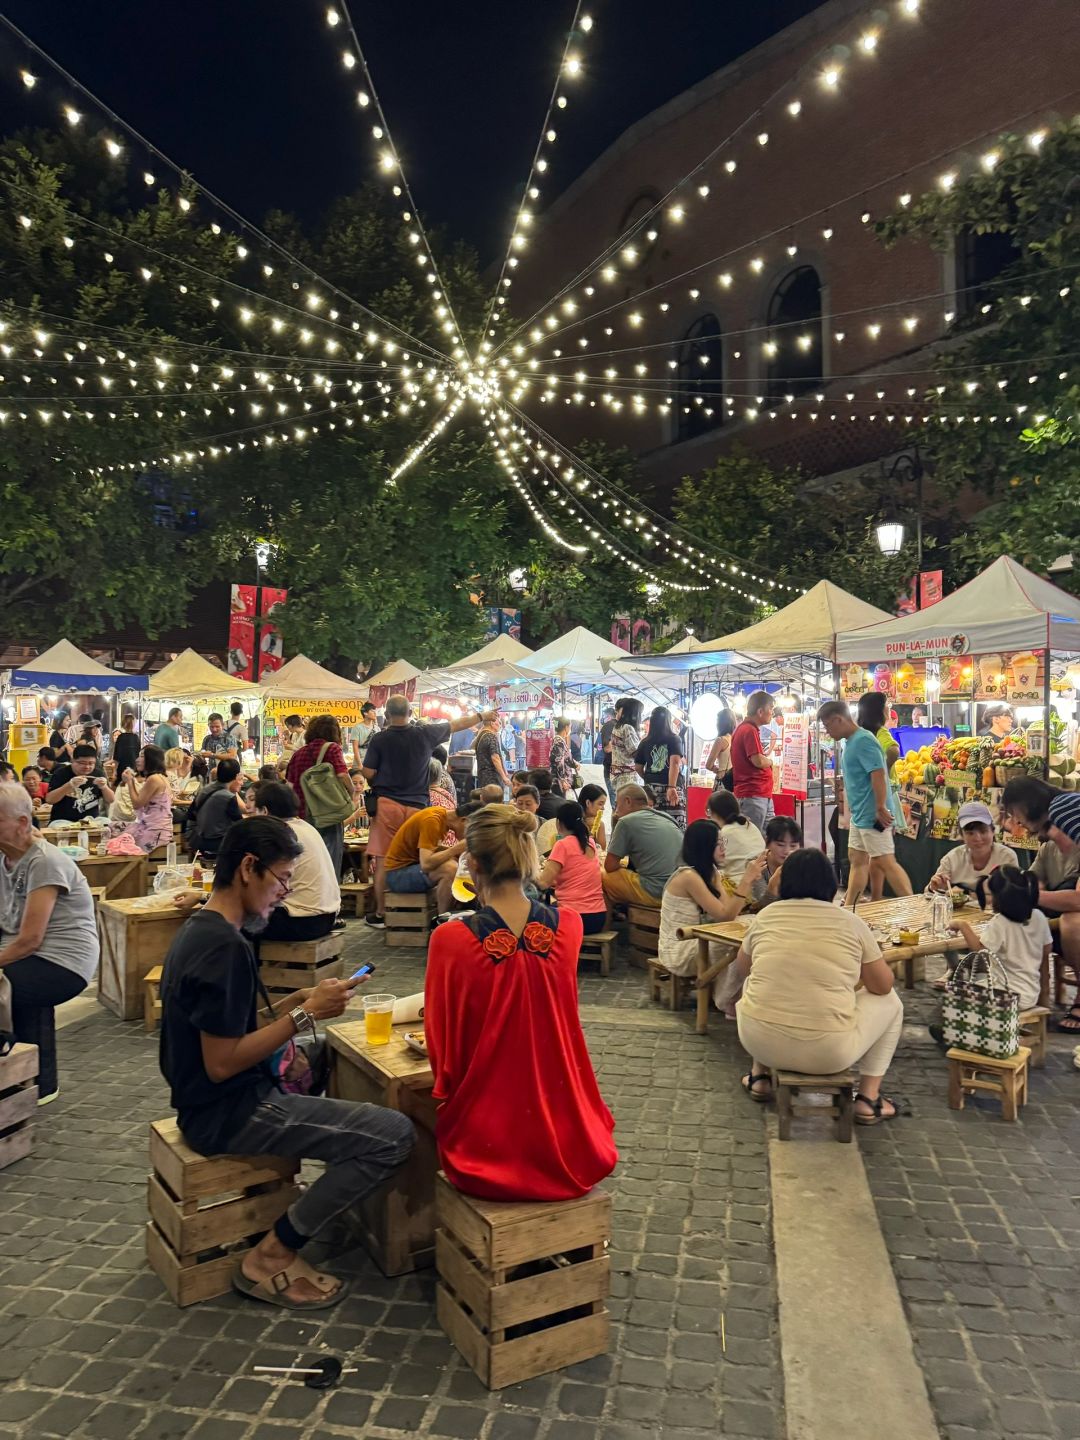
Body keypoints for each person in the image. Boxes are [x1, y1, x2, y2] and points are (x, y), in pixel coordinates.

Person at [159, 816, 414, 1309]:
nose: (284, 893)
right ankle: (273, 1253)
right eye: (280, 879)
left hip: (213, 1097)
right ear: (248, 868)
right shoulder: (222, 948)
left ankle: (334, 1180)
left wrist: (293, 1002)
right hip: (229, 1111)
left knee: (331, 1058)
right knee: (394, 1135)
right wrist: (303, 1014)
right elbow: (222, 1062)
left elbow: (221, 1027)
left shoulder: (205, 928)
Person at [425, 803, 617, 1200]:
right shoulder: (570, 926)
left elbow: (441, 1043)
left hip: (488, 1139)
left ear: (472, 863)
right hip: (568, 1131)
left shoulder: (450, 940)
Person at [734, 847, 903, 1124]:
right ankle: (868, 1099)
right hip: (828, 1053)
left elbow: (743, 970)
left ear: (784, 881)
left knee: (757, 978)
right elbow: (882, 986)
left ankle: (760, 1076)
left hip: (757, 1041)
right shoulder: (851, 923)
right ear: (829, 883)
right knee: (892, 1002)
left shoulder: (766, 916)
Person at [0, 785, 99, 1103]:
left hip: (62, 962)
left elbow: (30, 939)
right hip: (30, 954)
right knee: (16, 989)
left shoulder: (44, 861)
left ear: (23, 822)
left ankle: (19, 1080)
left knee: (7, 985)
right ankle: (36, 1084)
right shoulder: (6, 860)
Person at [362, 695, 489, 928]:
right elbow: (457, 724)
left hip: (387, 804)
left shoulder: (379, 739)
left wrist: (384, 778)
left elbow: (368, 772)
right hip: (418, 805)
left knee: (383, 859)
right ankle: (414, 906)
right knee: (414, 855)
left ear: (387, 715)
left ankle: (381, 913)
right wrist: (482, 716)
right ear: (410, 712)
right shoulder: (424, 733)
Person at [817, 700, 913, 908]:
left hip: (872, 814)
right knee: (857, 858)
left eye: (827, 725)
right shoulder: (850, 741)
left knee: (887, 861)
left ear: (838, 719)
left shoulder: (864, 741)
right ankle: (851, 906)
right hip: (860, 815)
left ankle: (914, 905)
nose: (827, 731)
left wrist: (880, 807)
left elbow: (878, 773)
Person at [658, 820, 766, 1000]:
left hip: (697, 938)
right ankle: (727, 998)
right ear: (704, 847)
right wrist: (746, 880)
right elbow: (726, 916)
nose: (723, 849)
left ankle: (733, 994)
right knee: (743, 937)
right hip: (679, 949)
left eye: (724, 842)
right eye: (718, 844)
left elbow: (727, 914)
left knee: (754, 922)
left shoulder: (711, 872)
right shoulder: (688, 876)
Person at [948, 866, 1051, 1013]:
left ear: (999, 898)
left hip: (1006, 996)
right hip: (1030, 995)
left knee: (958, 994)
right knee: (980, 982)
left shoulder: (1000, 922)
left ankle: (963, 1032)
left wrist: (961, 925)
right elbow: (1046, 950)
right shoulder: (1038, 916)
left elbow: (981, 950)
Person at [248, 781, 341, 943]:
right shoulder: (306, 827)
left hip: (302, 921)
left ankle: (251, 968)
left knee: (236, 919)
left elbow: (259, 884)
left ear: (265, 810)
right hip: (328, 916)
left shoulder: (278, 833)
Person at [384, 796, 479, 913]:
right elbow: (426, 864)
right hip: (397, 876)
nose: (468, 835)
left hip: (409, 869)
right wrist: (455, 849)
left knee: (457, 863)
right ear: (464, 820)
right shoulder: (432, 821)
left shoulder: (440, 815)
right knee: (450, 869)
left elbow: (431, 849)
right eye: (471, 830)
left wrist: (456, 853)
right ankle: (442, 920)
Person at [286, 716, 353, 876]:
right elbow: (342, 774)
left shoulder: (298, 754)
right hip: (329, 813)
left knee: (309, 861)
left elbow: (289, 785)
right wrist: (351, 793)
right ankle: (330, 895)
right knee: (330, 862)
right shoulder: (332, 748)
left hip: (304, 816)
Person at [856, 691, 907, 899]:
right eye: (887, 705)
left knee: (876, 854)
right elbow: (894, 751)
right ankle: (878, 896)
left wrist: (878, 773)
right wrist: (881, 772)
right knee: (880, 855)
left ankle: (875, 896)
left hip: (876, 799)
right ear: (879, 710)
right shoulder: (879, 732)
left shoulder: (865, 733)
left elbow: (891, 752)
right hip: (883, 797)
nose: (889, 709)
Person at [602, 786, 683, 910]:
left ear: (628, 801)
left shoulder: (625, 822)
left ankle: (606, 927)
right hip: (680, 889)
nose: (616, 810)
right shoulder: (667, 818)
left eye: (617, 804)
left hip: (655, 891)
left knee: (600, 876)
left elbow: (610, 866)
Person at [537, 801, 607, 935]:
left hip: (574, 918)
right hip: (598, 917)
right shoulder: (590, 843)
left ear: (558, 823)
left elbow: (543, 883)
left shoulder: (562, 845)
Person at [928, 801, 1018, 892]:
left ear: (993, 831)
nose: (977, 838)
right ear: (962, 836)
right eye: (970, 833)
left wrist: (969, 895)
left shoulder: (1007, 857)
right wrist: (934, 888)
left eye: (983, 831)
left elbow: (1015, 895)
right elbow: (929, 892)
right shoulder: (951, 859)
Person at [731, 692, 776, 835]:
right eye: (771, 708)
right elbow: (758, 760)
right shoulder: (749, 729)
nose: (772, 713)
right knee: (752, 839)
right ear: (760, 711)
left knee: (768, 837)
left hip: (760, 793)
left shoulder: (746, 728)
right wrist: (770, 761)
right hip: (753, 794)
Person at [705, 790, 766, 895]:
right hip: (760, 885)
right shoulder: (749, 825)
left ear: (715, 813)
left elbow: (716, 862)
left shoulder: (723, 833)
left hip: (738, 889)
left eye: (709, 811)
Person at [634, 706, 686, 829]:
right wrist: (671, 786)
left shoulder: (645, 742)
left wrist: (648, 777)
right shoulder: (674, 739)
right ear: (668, 721)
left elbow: (638, 767)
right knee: (676, 826)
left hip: (652, 789)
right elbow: (674, 763)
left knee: (654, 825)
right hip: (673, 788)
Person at [185, 758, 244, 860]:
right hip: (214, 843)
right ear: (236, 776)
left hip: (196, 838)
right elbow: (240, 825)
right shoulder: (228, 797)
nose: (242, 782)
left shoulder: (205, 789)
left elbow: (191, 814)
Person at [119, 745, 174, 853]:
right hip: (155, 828)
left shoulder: (154, 779)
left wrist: (130, 782)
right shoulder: (161, 777)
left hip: (155, 831)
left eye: (142, 756)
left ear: (151, 759)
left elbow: (137, 804)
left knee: (117, 841)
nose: (137, 760)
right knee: (113, 828)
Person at [46, 744, 114, 825]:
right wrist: (69, 785)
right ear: (72, 760)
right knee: (56, 825)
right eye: (82, 763)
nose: (87, 766)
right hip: (64, 820)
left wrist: (104, 787)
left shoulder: (98, 773)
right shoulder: (61, 773)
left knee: (108, 823)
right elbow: (49, 800)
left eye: (91, 763)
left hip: (91, 820)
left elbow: (111, 800)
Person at [750, 815, 803, 907]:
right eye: (780, 844)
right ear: (767, 843)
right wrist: (775, 881)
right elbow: (762, 906)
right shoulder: (757, 866)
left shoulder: (804, 864)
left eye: (793, 846)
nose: (787, 851)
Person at [609, 698, 643, 795]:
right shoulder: (627, 728)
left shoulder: (618, 726)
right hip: (628, 777)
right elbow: (635, 753)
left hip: (619, 775)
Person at [475, 713, 511, 796]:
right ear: (492, 723)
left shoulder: (481, 736)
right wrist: (504, 777)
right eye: (499, 722)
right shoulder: (491, 736)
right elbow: (495, 758)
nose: (500, 725)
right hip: (492, 778)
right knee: (495, 803)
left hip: (483, 777)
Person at [705, 708, 737, 791]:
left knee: (719, 803)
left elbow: (708, 765)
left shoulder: (720, 740)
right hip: (734, 781)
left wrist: (717, 770)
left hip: (722, 781)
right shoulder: (735, 739)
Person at [548, 719, 577, 798]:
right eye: (570, 727)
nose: (570, 729)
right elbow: (558, 762)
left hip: (559, 781)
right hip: (559, 782)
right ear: (566, 727)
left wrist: (575, 763)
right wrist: (563, 780)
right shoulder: (559, 742)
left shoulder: (559, 740)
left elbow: (563, 758)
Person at [112, 715, 141, 785]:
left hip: (122, 767)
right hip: (133, 767)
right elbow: (138, 755)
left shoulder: (121, 737)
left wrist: (114, 771)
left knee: (121, 787)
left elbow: (116, 756)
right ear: (133, 724)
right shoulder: (136, 737)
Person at [578, 783, 607, 850]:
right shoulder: (573, 821)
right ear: (588, 803)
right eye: (600, 804)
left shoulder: (600, 824)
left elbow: (601, 851)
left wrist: (599, 827)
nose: (603, 808)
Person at [597, 706, 617, 805]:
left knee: (614, 803)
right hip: (619, 769)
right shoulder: (619, 725)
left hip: (610, 769)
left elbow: (607, 748)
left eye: (604, 716)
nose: (602, 718)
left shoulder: (608, 725)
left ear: (609, 717)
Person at [350, 702, 378, 769]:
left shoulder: (377, 728)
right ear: (365, 713)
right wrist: (359, 764)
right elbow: (355, 747)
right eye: (372, 711)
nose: (375, 713)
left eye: (375, 711)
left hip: (373, 762)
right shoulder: (357, 727)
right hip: (360, 761)